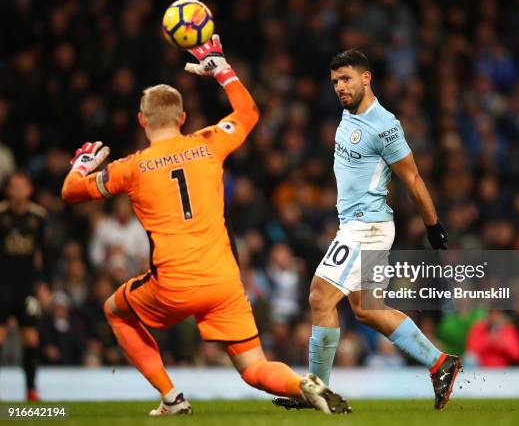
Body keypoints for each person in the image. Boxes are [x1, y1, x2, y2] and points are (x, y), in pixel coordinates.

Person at [61, 35, 350, 416]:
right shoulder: (209, 142)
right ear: (182, 118)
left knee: (115, 310)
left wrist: (82, 165)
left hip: (174, 283)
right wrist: (223, 70)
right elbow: (249, 113)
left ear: (141, 120)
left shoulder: (130, 167)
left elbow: (70, 192)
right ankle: (305, 384)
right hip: (224, 281)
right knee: (254, 368)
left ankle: (170, 397)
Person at [274, 49, 460, 411]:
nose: (339, 87)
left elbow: (413, 177)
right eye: (334, 82)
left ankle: (316, 392)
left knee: (319, 296)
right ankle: (441, 363)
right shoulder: (348, 115)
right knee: (366, 309)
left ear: (366, 78)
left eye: (346, 79)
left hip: (367, 227)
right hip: (359, 224)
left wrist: (432, 224)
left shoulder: (384, 126)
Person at [0, 172, 46, 401]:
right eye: (14, 186)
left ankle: (31, 390)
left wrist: (43, 285)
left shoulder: (38, 217)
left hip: (26, 286)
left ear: (29, 189)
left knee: (31, 339)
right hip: (2, 285)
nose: (18, 190)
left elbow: (44, 254)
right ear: (8, 190)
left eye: (23, 185)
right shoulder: (1, 215)